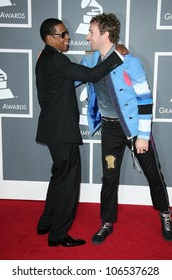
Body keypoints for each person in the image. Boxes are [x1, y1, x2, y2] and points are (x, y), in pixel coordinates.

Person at [80, 13, 172, 244]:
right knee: (109, 176)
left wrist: (142, 135)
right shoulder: (90, 60)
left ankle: (165, 213)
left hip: (133, 130)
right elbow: (73, 76)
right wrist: (50, 61)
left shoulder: (130, 62)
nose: (87, 36)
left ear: (105, 35)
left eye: (91, 32)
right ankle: (106, 222)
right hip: (110, 129)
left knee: (153, 173)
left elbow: (145, 99)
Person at [35, 18, 127, 247]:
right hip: (62, 132)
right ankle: (57, 235)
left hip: (53, 130)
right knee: (68, 183)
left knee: (58, 177)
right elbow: (92, 75)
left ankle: (45, 223)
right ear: (49, 38)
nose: (68, 38)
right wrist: (117, 56)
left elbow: (79, 73)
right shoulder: (56, 59)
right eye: (63, 34)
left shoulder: (45, 58)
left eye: (66, 33)